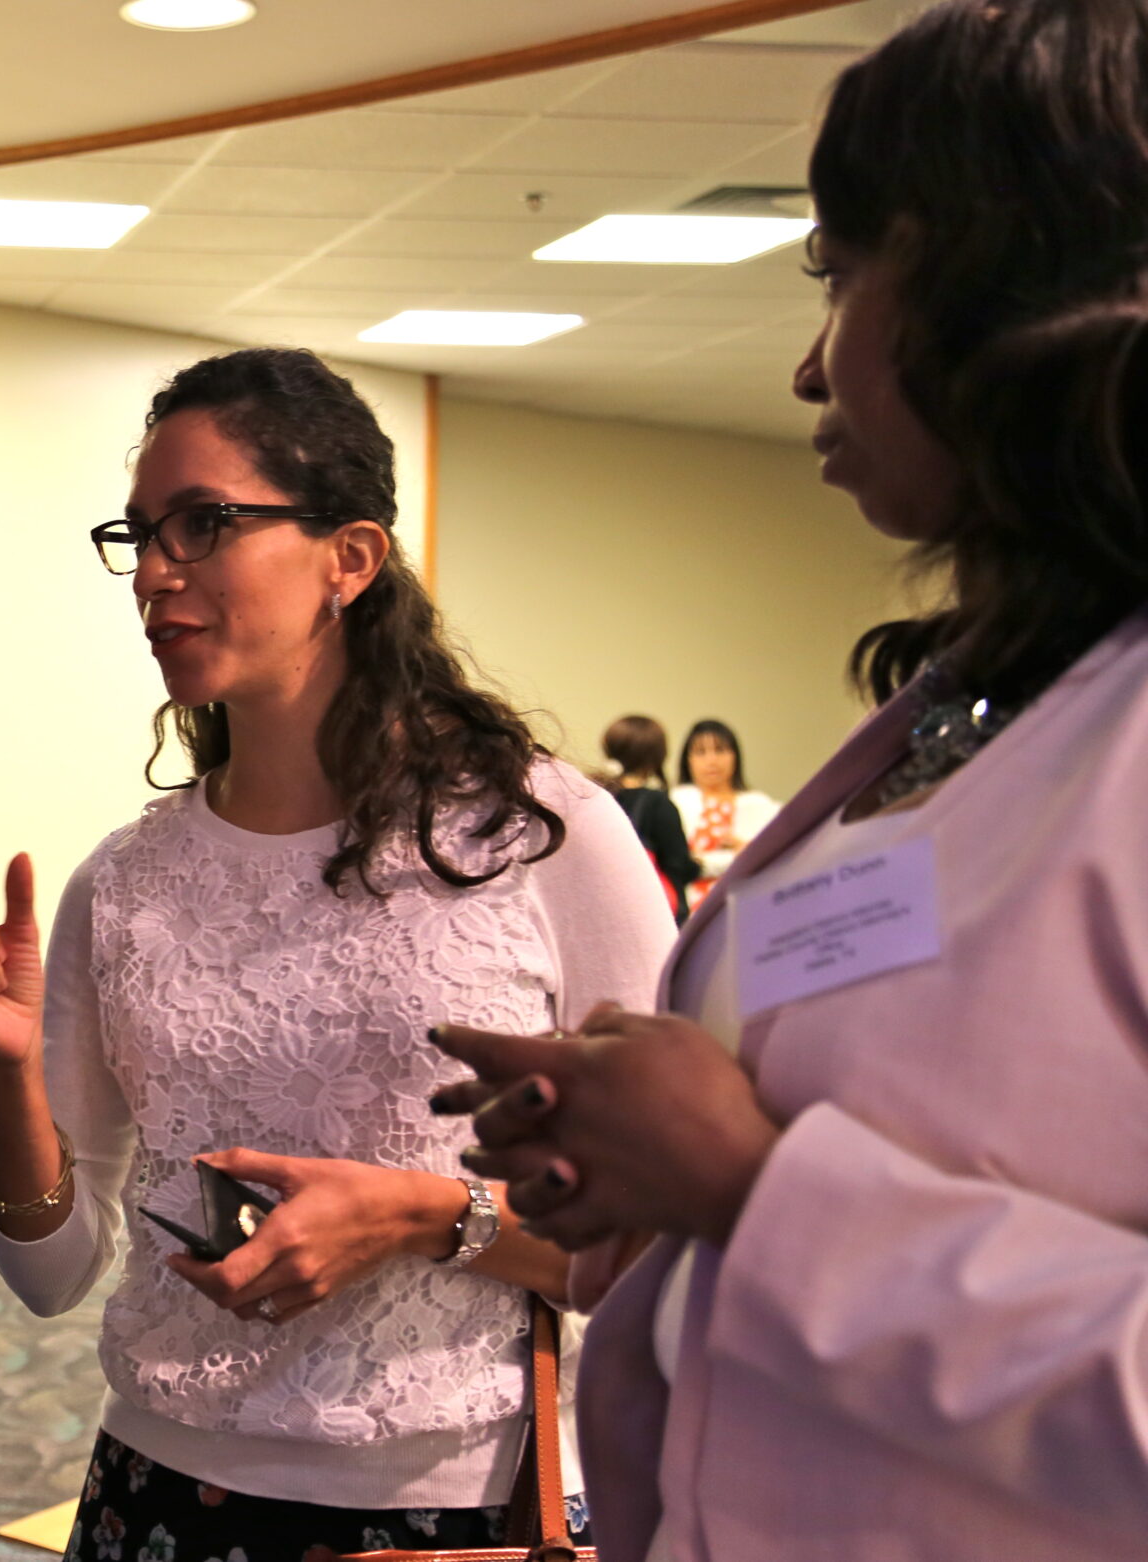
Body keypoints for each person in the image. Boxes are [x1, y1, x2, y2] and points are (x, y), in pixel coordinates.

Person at [431, 3, 1148, 1558]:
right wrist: (657, 1176)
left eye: (839, 277)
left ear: (994, 271)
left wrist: (758, 1189)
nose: (813, 366)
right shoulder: (982, 693)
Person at [0, 348, 673, 1561]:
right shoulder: (127, 879)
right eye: (140, 533)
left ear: (348, 559)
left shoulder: (536, 838)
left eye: (204, 524)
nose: (154, 572)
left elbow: (677, 1236)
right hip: (156, 1495)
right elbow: (51, 1273)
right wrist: (6, 1074)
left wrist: (427, 1214)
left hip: (445, 1506)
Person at [601, 714, 698, 923]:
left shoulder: (597, 795)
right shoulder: (657, 802)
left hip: (607, 910)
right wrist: (699, 865)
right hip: (654, 916)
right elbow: (678, 864)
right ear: (657, 754)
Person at [667, 718, 778, 894]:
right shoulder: (674, 801)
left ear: (735, 755)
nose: (712, 760)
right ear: (687, 760)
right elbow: (675, 863)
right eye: (700, 752)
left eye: (720, 750)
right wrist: (740, 856)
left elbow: (773, 859)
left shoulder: (761, 805)